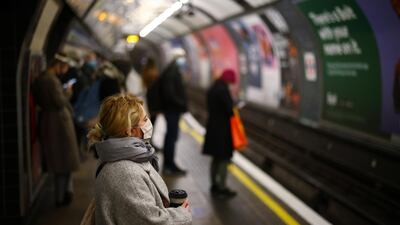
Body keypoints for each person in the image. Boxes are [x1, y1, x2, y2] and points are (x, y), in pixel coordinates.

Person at [87, 93, 192, 225]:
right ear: (129, 131)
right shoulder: (126, 174)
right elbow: (150, 221)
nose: (149, 123)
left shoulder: (122, 156)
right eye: (145, 119)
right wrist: (182, 214)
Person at [32, 53, 80, 206]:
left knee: (60, 160)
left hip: (50, 120)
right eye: (64, 67)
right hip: (59, 123)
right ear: (58, 65)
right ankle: (61, 197)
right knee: (63, 159)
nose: (65, 71)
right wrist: (68, 92)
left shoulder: (41, 79)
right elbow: (60, 102)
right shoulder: (51, 80)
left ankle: (63, 194)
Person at [202, 69, 237, 198]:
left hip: (212, 128)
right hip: (222, 130)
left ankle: (214, 185)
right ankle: (222, 187)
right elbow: (229, 110)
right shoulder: (223, 90)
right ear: (228, 79)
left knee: (215, 158)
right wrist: (234, 106)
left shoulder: (213, 88)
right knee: (224, 158)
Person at [159, 53, 188, 175]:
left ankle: (170, 164)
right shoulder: (172, 73)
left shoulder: (172, 71)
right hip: (172, 110)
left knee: (171, 137)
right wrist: (181, 103)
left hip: (172, 110)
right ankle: (168, 166)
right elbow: (169, 93)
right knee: (171, 137)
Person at [142, 58, 161, 125]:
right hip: (155, 100)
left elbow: (144, 84)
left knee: (148, 119)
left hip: (148, 98)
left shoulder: (145, 72)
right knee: (153, 121)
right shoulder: (155, 73)